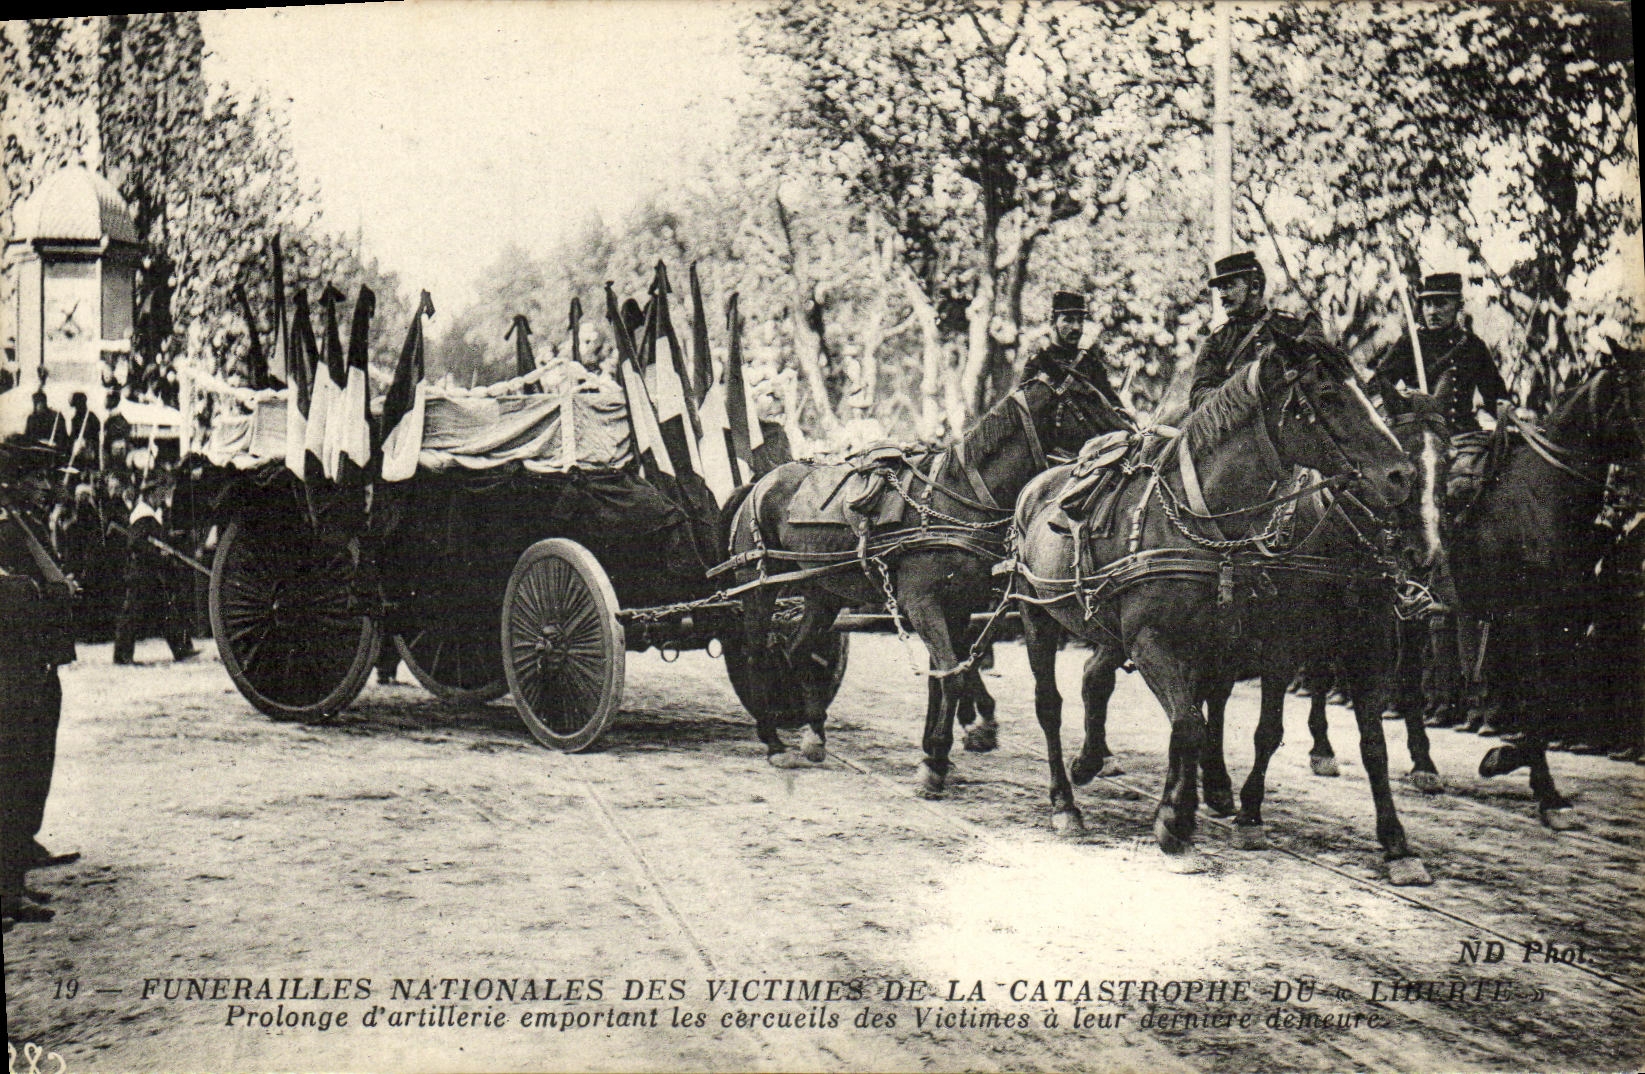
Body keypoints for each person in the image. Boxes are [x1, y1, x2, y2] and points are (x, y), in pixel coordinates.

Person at [1372, 271, 1512, 732]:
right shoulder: (1408, 343)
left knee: (1464, 487)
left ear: (1457, 306)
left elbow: (1495, 394)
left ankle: (1460, 543)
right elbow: (1379, 382)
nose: (1434, 311)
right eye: (1428, 303)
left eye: (1442, 303)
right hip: (1418, 432)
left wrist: (1505, 407)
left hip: (1462, 436)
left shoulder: (1472, 347)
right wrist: (1403, 398)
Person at [2, 453, 80, 924]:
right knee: (14, 769)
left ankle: (15, 874)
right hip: (15, 663)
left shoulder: (21, 521)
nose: (46, 486)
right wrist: (41, 590)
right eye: (37, 477)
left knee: (30, 764)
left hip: (36, 660)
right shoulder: (7, 526)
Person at [111, 482, 196, 666]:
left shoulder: (150, 516)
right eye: (159, 494)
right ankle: (122, 656)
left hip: (150, 573)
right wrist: (157, 552)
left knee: (166, 611)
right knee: (132, 615)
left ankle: (181, 649)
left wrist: (168, 543)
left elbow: (156, 539)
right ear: (150, 495)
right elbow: (135, 543)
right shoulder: (143, 516)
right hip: (140, 573)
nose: (161, 498)